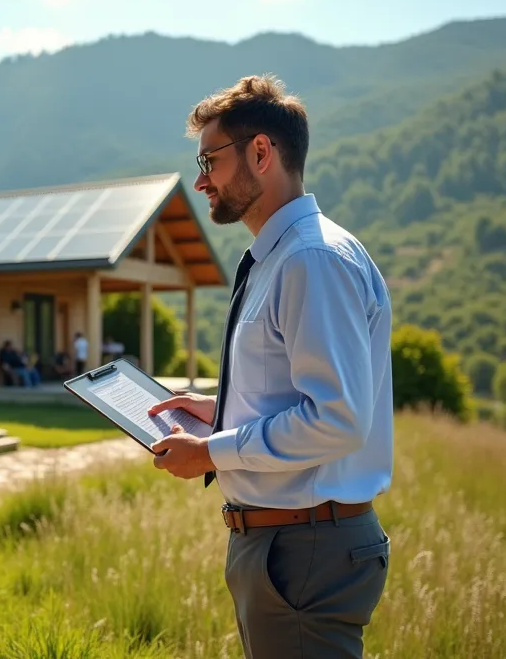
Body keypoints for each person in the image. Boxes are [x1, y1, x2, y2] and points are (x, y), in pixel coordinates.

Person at [146, 73, 394, 659]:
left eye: (210, 159)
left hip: (303, 545)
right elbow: (297, 393)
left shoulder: (310, 259)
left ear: (261, 152)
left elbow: (335, 420)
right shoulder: (285, 257)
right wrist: (219, 409)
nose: (201, 180)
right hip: (293, 541)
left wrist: (210, 451)